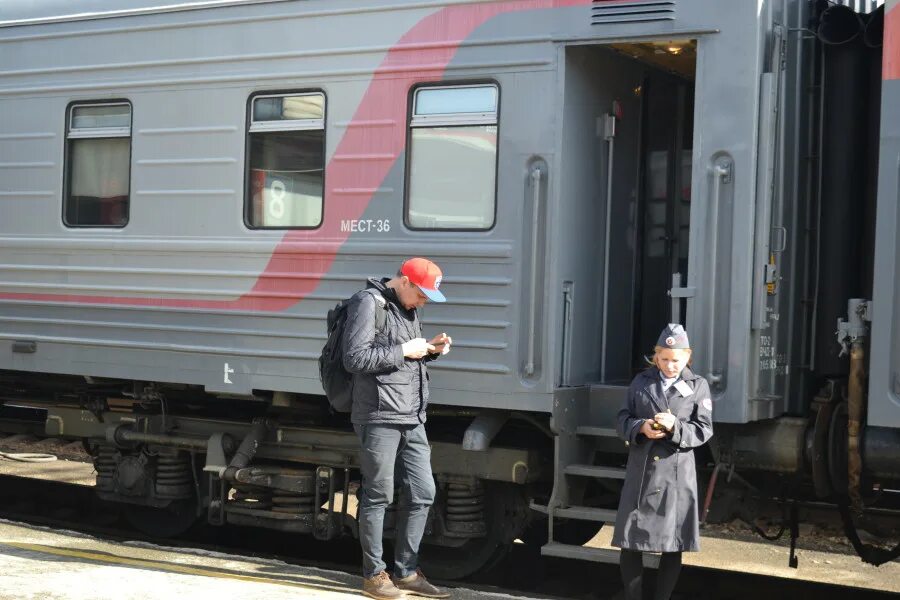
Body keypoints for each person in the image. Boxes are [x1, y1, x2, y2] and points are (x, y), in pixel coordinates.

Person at [342, 257, 453, 600]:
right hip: (379, 415)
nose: (423, 302)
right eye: (421, 294)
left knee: (423, 492)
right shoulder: (367, 303)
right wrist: (405, 348)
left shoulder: (407, 308)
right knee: (378, 496)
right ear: (404, 281)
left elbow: (400, 359)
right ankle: (374, 576)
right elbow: (355, 358)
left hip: (412, 415)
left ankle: (406, 572)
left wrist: (429, 350)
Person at [612, 324, 714, 600]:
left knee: (672, 544)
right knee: (630, 542)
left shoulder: (698, 385)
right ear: (656, 356)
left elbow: (704, 429)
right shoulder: (641, 382)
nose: (670, 365)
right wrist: (641, 428)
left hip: (676, 476)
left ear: (687, 357)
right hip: (642, 471)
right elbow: (622, 419)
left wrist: (675, 428)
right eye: (665, 358)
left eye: (676, 360)